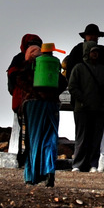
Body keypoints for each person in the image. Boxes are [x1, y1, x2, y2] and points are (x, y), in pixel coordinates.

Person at [23, 43, 67, 187]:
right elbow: (62, 83)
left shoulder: (29, 67)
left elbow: (20, 83)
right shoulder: (54, 64)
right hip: (52, 104)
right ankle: (49, 171)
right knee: (51, 137)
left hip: (33, 104)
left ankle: (31, 176)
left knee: (33, 139)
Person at [67, 43, 104, 172]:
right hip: (82, 109)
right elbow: (72, 87)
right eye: (93, 51)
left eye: (96, 52)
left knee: (95, 139)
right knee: (82, 137)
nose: (95, 54)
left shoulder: (102, 70)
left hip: (98, 109)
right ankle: (77, 164)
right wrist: (83, 99)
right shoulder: (78, 68)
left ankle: (93, 164)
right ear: (87, 52)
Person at [7, 33, 42, 167]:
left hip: (22, 101)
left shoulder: (18, 59)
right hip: (38, 101)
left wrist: (16, 94)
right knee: (36, 130)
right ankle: (32, 159)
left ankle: (24, 160)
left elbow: (12, 81)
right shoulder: (43, 59)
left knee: (24, 130)